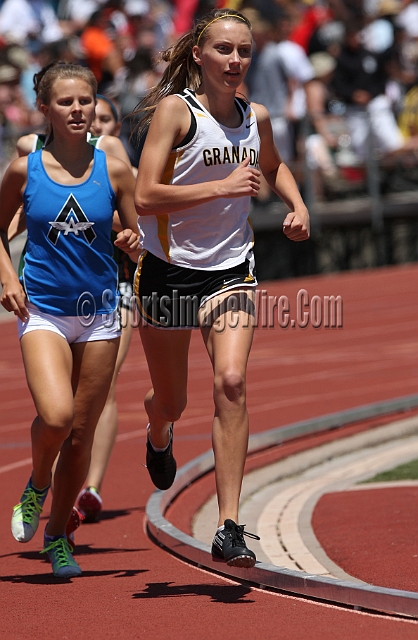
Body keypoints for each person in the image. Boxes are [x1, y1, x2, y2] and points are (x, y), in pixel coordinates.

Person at [132, 8, 310, 568]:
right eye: (224, 50)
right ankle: (158, 429)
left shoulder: (255, 116)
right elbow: (145, 196)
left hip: (231, 269)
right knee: (174, 399)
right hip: (167, 272)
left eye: (243, 51)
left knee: (231, 381)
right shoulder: (175, 114)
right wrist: (221, 187)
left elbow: (273, 165)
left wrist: (297, 205)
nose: (235, 61)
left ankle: (230, 525)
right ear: (199, 56)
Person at [0, 62, 138, 578]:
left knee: (81, 435)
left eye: (85, 101)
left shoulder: (115, 167)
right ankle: (37, 485)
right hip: (44, 310)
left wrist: (132, 241)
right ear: (44, 110)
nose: (78, 110)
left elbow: (135, 229)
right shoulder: (25, 168)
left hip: (101, 313)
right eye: (66, 102)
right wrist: (9, 280)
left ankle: (58, 535)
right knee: (56, 418)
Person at [77, 93, 137, 522]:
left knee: (106, 383)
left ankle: (92, 486)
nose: (93, 124)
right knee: (70, 393)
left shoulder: (117, 163)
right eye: (87, 116)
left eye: (103, 118)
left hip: (115, 287)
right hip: (65, 292)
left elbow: (139, 220)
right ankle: (63, 476)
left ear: (115, 127)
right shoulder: (54, 163)